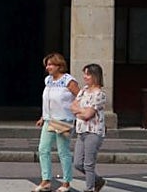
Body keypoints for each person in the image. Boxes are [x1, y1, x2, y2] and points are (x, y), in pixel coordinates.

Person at [33, 52, 78, 192]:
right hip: (49, 119)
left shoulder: (68, 80)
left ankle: (66, 182)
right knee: (43, 149)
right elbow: (47, 100)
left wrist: (75, 112)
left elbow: (80, 96)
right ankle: (46, 180)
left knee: (63, 151)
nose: (48, 67)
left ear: (59, 66)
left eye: (51, 64)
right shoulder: (48, 80)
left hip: (63, 120)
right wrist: (43, 116)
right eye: (47, 64)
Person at [71, 63, 107, 192]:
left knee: (88, 164)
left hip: (94, 132)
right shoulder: (83, 90)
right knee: (78, 163)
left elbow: (88, 115)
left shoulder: (100, 95)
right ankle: (98, 180)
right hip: (81, 130)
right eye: (84, 74)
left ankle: (90, 188)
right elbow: (73, 106)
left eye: (88, 74)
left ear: (95, 76)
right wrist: (82, 110)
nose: (85, 77)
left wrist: (80, 111)